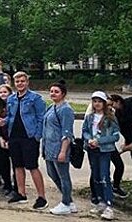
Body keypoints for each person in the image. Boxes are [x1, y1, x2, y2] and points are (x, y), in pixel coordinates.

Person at [0, 71, 48, 210]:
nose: (20, 83)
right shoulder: (12, 99)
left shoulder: (35, 98)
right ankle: (21, 193)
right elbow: (11, 115)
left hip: (29, 136)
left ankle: (41, 197)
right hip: (14, 136)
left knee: (32, 166)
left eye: (22, 81)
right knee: (17, 165)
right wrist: (5, 121)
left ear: (27, 82)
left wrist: (37, 136)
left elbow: (41, 118)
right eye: (17, 81)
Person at [83, 91, 120, 221]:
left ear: (104, 103)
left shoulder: (110, 118)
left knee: (105, 176)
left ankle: (109, 204)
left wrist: (100, 141)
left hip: (104, 150)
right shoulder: (90, 117)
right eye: (95, 101)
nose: (97, 104)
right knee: (96, 176)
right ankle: (100, 201)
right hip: (92, 150)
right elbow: (85, 131)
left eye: (99, 101)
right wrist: (89, 140)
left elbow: (115, 136)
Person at [42, 81, 77, 215]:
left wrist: (63, 151)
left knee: (63, 176)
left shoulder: (66, 109)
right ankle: (69, 200)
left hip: (59, 148)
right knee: (52, 174)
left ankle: (66, 203)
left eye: (56, 92)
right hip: (48, 147)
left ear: (63, 94)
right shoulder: (51, 107)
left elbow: (67, 132)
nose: (53, 94)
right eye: (51, 91)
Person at [107, 94, 132, 198]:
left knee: (119, 166)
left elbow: (117, 133)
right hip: (101, 147)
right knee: (103, 168)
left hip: (111, 145)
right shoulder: (99, 117)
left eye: (112, 105)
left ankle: (115, 187)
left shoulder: (118, 113)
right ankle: (100, 191)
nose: (111, 107)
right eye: (108, 105)